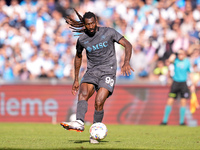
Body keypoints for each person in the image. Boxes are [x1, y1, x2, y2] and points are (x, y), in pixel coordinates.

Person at [60, 9, 134, 143]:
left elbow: (127, 44)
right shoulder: (82, 39)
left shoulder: (109, 32)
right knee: (82, 93)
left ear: (96, 22)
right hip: (92, 71)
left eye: (93, 23)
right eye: (88, 24)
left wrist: (126, 62)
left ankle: (94, 133)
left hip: (108, 71)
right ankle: (79, 122)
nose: (91, 26)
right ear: (85, 24)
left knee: (99, 102)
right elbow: (78, 57)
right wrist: (76, 79)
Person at [160, 49, 193, 126]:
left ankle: (181, 122)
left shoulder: (187, 62)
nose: (180, 55)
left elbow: (190, 73)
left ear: (184, 54)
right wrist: (175, 53)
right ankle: (165, 121)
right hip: (175, 83)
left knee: (183, 102)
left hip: (183, 84)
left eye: (182, 53)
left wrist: (192, 84)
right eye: (179, 54)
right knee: (170, 101)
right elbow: (169, 61)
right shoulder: (175, 61)